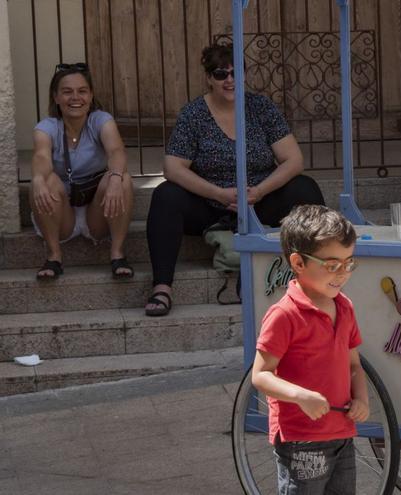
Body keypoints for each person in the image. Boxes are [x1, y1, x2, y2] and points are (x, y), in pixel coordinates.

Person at [145, 43, 325, 316]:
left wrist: (260, 191)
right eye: (221, 74)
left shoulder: (260, 107)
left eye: (236, 72)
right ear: (208, 78)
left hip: (258, 199)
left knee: (305, 188)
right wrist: (218, 193)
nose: (229, 80)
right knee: (165, 195)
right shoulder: (193, 114)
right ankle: (162, 287)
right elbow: (172, 167)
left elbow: (294, 160)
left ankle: (318, 279)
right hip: (210, 203)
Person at [252, 204, 368, 494]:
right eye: (331, 265)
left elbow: (354, 364)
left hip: (341, 432)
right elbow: (261, 375)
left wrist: (362, 398)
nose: (342, 273)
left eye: (349, 263)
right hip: (301, 438)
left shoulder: (344, 307)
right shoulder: (284, 315)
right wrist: (300, 396)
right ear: (299, 263)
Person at [29, 63, 134, 281]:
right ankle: (54, 255)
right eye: (67, 92)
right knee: (44, 181)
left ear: (91, 95)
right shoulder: (46, 127)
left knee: (121, 177)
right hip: (61, 213)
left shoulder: (101, 120)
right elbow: (41, 156)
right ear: (56, 97)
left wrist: (115, 178)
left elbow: (116, 150)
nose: (75, 97)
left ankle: (117, 254)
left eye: (82, 91)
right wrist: (38, 178)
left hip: (97, 212)